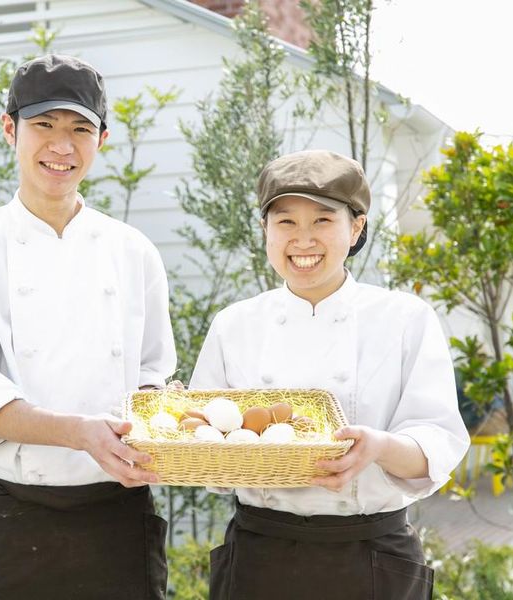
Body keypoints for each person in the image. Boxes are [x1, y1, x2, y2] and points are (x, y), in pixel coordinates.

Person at [0, 54, 176, 600]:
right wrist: (81, 433)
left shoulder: (134, 252)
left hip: (118, 513)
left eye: (80, 129)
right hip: (12, 515)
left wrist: (162, 416)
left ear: (101, 140)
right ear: (9, 129)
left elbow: (153, 375)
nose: (62, 146)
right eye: (44, 125)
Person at [189, 150, 470, 599]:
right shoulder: (234, 324)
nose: (303, 240)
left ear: (356, 228)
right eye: (285, 222)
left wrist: (377, 447)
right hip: (260, 553)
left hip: (370, 555)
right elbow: (203, 444)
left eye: (322, 220)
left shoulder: (405, 318)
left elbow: (436, 444)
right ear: (265, 229)